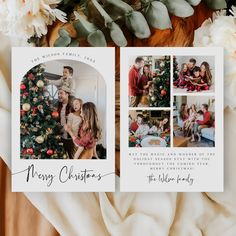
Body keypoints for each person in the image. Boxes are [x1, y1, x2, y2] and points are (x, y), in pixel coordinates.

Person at [56, 86, 73, 159]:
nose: (59, 95)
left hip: (71, 137)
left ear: (67, 94)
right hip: (60, 136)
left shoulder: (73, 106)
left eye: (61, 93)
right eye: (58, 94)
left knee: (72, 156)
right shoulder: (58, 105)